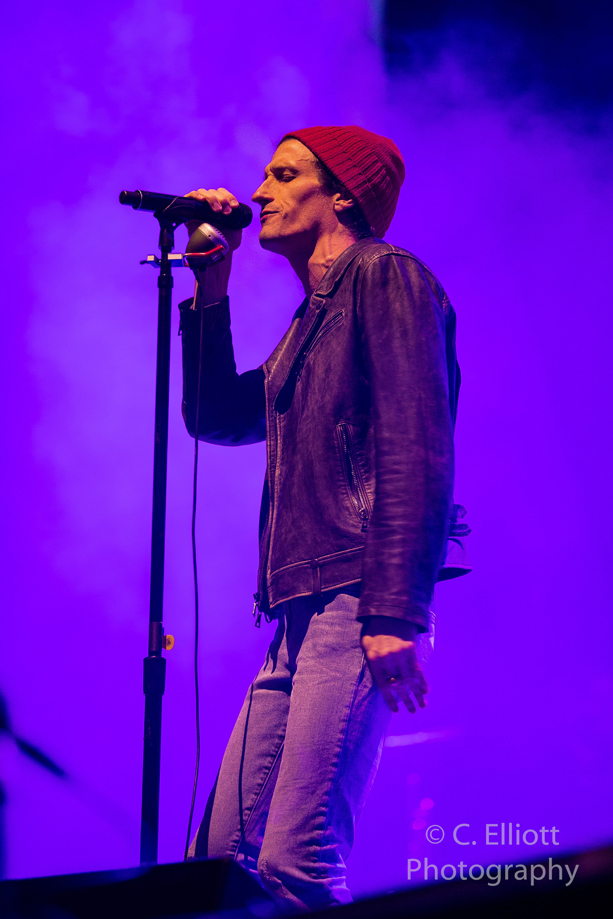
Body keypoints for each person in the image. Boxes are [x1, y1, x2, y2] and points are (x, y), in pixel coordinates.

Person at [180, 125, 470, 912]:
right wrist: (211, 288)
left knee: (294, 862)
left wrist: (394, 608)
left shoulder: (385, 274)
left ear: (341, 193)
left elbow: (416, 440)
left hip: (355, 594)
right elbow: (216, 415)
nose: (258, 192)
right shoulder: (310, 320)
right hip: (297, 608)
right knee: (218, 868)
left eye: (282, 175)